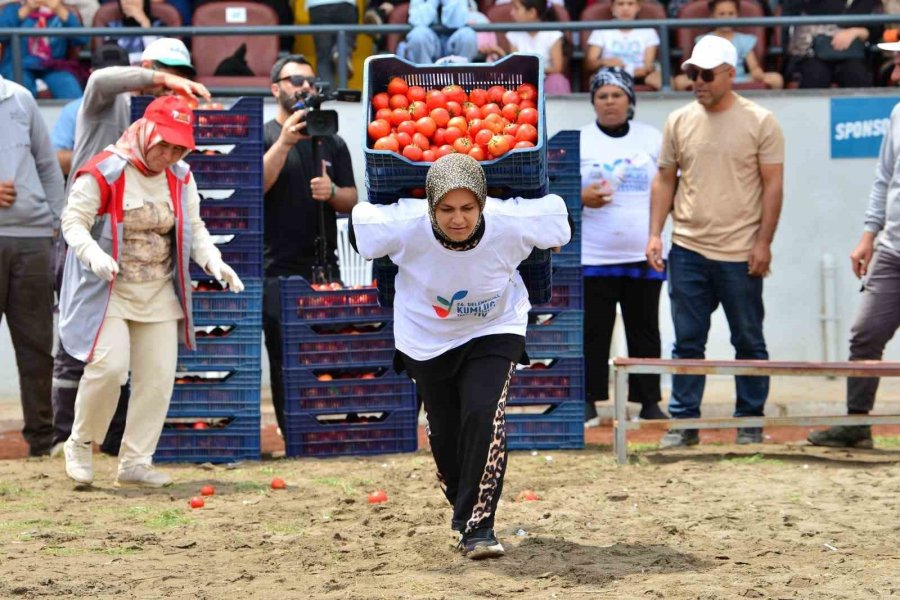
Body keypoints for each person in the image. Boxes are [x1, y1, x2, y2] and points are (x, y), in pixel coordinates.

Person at [350, 153, 571, 559]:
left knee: (483, 414)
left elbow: (557, 218)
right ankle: (463, 507)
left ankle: (479, 527)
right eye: (446, 209)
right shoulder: (404, 223)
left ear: (482, 204)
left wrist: (550, 238)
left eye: (468, 208)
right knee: (445, 432)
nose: (458, 219)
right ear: (430, 207)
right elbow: (361, 225)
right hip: (425, 338)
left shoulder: (510, 220)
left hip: (495, 328)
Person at [59, 95, 244, 487]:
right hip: (109, 289)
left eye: (179, 148)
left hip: (159, 290)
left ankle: (136, 461)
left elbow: (195, 229)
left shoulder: (181, 176)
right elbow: (72, 222)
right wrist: (93, 255)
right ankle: (80, 441)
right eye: (164, 144)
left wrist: (214, 261)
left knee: (157, 378)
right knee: (109, 367)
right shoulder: (105, 171)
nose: (169, 155)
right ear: (146, 132)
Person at [50, 37, 209, 458]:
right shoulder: (107, 103)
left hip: (140, 257)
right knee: (79, 343)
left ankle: (119, 444)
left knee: (130, 360)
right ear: (147, 69)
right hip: (89, 234)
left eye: (182, 76)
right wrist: (160, 80)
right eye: (166, 74)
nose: (174, 83)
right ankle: (64, 437)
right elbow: (100, 80)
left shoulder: (170, 131)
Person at [645, 35, 784, 448]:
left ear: (730, 74)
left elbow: (773, 186)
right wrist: (654, 234)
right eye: (693, 74)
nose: (698, 82)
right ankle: (684, 422)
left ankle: (750, 421)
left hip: (741, 252)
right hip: (687, 247)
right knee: (687, 341)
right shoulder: (679, 120)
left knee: (748, 340)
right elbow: (665, 179)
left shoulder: (761, 121)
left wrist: (763, 243)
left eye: (706, 75)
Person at [807, 39, 900, 450]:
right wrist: (868, 235)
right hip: (892, 249)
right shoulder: (897, 114)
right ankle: (857, 424)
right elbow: (884, 180)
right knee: (865, 334)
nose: (894, 73)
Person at [262, 54, 357, 438]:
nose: (304, 87)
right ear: (275, 88)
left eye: (310, 81)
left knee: (331, 351)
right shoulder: (265, 135)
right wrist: (285, 143)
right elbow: (255, 186)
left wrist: (331, 192)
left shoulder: (331, 140)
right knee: (284, 356)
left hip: (325, 265)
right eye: (295, 80)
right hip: (276, 268)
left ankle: (330, 430)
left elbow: (351, 200)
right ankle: (294, 434)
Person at [580, 67, 666, 425]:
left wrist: (658, 235)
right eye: (602, 96)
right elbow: (555, 188)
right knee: (593, 331)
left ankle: (648, 401)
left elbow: (668, 187)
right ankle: (588, 401)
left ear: (630, 100)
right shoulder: (580, 140)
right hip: (593, 256)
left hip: (643, 254)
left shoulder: (652, 138)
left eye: (617, 95)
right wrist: (580, 197)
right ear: (593, 102)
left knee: (645, 329)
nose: (610, 102)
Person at [0, 72, 65, 457]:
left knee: (37, 345)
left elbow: (47, 165)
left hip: (33, 238)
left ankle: (43, 440)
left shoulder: (21, 98)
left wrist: (60, 224)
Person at [50, 43, 130, 178]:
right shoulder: (74, 109)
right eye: (105, 78)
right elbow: (57, 159)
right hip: (89, 183)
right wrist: (104, 159)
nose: (112, 82)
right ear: (91, 74)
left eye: (118, 76)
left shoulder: (140, 107)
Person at [673, 0, 783, 91]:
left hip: (738, 78)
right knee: (679, 81)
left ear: (737, 15)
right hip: (711, 78)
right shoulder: (705, 39)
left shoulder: (744, 40)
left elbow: (753, 66)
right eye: (722, 14)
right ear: (712, 16)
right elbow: (699, 66)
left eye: (731, 14)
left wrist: (756, 72)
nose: (726, 18)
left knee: (776, 79)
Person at [0, 0, 89, 99]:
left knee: (70, 89)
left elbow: (81, 39)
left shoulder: (64, 11)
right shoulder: (13, 9)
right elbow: (2, 36)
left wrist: (59, 10)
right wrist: (26, 10)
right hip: (19, 66)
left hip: (54, 66)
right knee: (19, 93)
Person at [785, 0, 882, 89]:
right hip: (815, 54)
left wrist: (856, 32)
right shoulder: (816, 4)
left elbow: (877, 30)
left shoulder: (870, 2)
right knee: (815, 74)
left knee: (857, 74)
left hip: (854, 56)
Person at [584, 0, 662, 90]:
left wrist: (634, 72)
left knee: (662, 80)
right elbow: (590, 63)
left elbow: (648, 65)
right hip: (610, 74)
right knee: (595, 79)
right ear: (612, 7)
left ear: (638, 7)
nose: (625, 8)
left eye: (630, 4)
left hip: (640, 76)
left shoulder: (648, 31)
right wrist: (604, 62)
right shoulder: (601, 29)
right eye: (620, 4)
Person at [505, 0, 571, 94]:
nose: (511, 12)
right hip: (523, 80)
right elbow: (515, 66)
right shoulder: (513, 35)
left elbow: (557, 68)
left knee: (557, 80)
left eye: (516, 8)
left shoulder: (553, 34)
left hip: (547, 78)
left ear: (532, 13)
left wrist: (533, 70)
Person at [397, 0, 479, 64]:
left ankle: (460, 76)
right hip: (429, 40)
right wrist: (433, 1)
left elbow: (458, 22)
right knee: (418, 35)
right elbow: (416, 21)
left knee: (468, 35)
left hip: (453, 37)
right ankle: (426, 78)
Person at [307, 0, 358, 85]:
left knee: (324, 58)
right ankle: (341, 51)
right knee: (346, 37)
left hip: (317, 5)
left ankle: (326, 92)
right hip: (345, 4)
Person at [102, 0, 163, 66]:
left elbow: (157, 58)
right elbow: (112, 58)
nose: (129, 1)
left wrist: (145, 23)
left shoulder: (159, 25)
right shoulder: (112, 27)